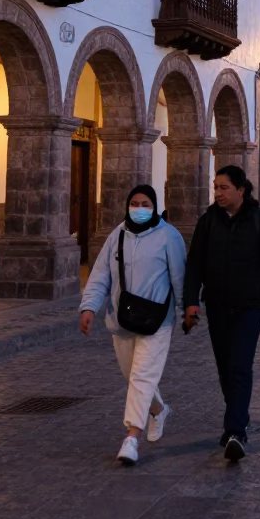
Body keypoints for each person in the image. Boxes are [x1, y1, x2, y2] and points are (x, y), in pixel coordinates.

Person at [183, 166, 260, 462]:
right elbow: (195, 265)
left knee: (240, 365)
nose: (218, 193)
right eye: (215, 187)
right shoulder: (208, 222)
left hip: (250, 305)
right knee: (225, 367)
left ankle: (235, 431)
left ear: (241, 190)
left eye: (224, 187)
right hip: (216, 305)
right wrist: (191, 301)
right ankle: (238, 413)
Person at [79, 185, 186, 466]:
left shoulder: (168, 236)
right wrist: (89, 306)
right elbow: (101, 272)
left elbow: (179, 276)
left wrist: (187, 309)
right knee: (132, 376)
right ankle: (158, 409)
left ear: (154, 206)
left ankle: (131, 438)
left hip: (158, 320)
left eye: (145, 203)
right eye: (135, 203)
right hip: (122, 319)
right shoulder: (117, 235)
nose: (140, 208)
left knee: (142, 377)